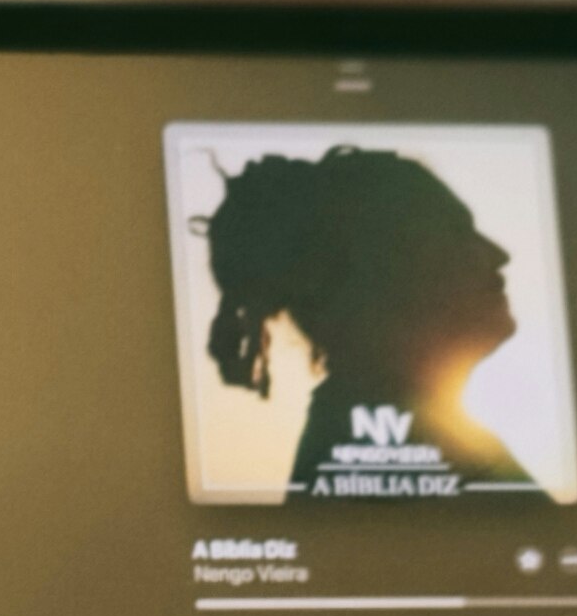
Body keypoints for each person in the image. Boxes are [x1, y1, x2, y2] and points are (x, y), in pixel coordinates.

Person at [196, 146, 544, 500]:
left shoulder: (412, 439)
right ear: (380, 272)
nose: (498, 255)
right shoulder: (378, 466)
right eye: (457, 234)